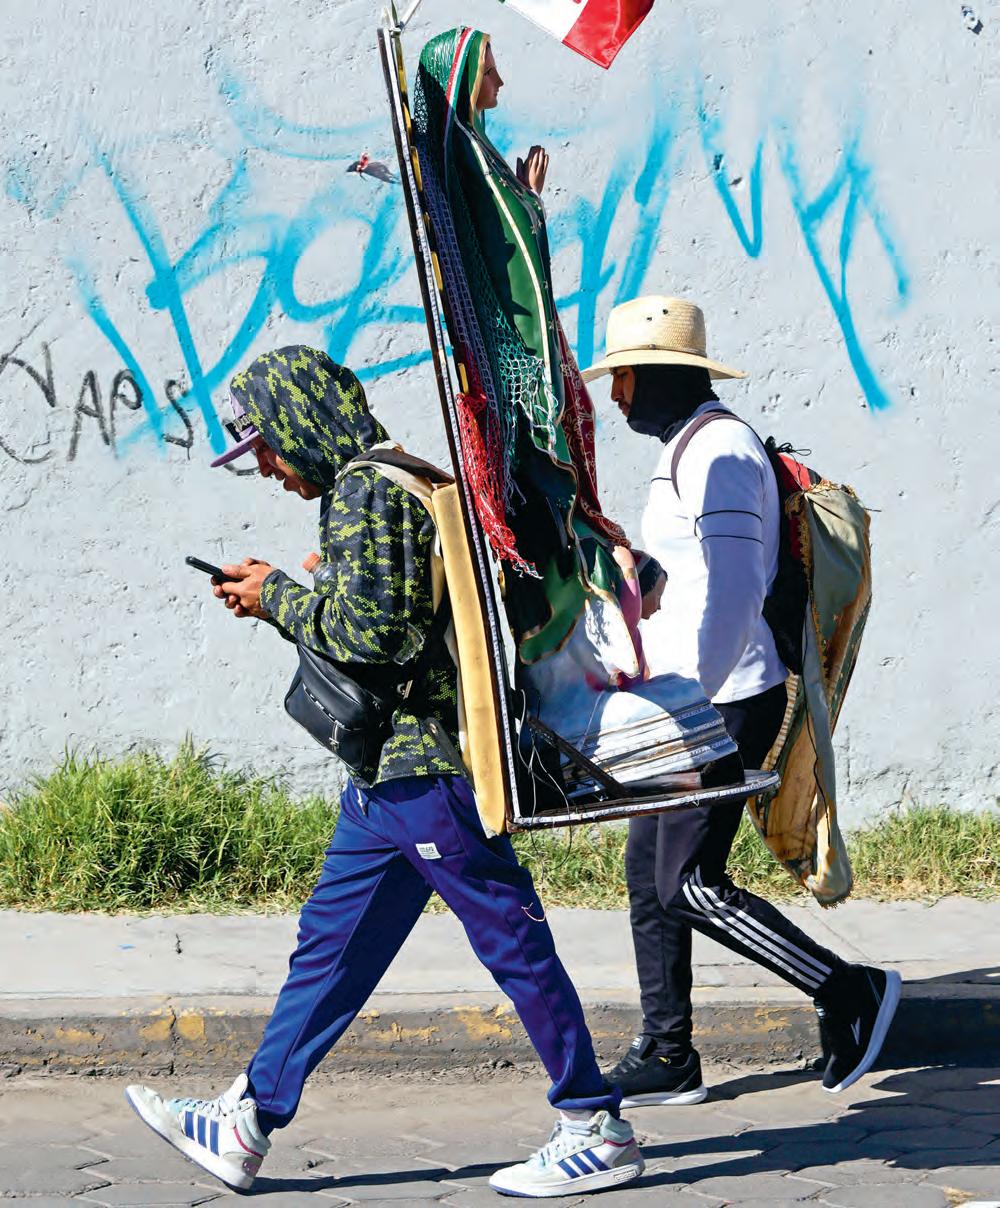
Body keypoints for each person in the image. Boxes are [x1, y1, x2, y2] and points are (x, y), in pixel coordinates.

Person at [124, 346, 645, 1199]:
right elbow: (388, 609)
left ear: (300, 422)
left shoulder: (366, 490)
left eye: (267, 446)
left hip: (425, 773)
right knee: (329, 949)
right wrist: (309, 589)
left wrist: (275, 596)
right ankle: (246, 1121)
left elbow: (376, 639)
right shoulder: (386, 479)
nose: (267, 468)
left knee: (511, 941)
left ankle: (595, 1125)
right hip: (386, 777)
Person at [582, 296, 902, 1106]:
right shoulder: (691, 447)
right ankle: (667, 1053)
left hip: (719, 704)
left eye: (623, 377)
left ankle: (848, 989)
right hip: (688, 701)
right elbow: (694, 578)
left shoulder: (719, 451)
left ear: (661, 374)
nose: (614, 395)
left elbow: (732, 593)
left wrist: (688, 711)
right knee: (648, 874)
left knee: (687, 883)